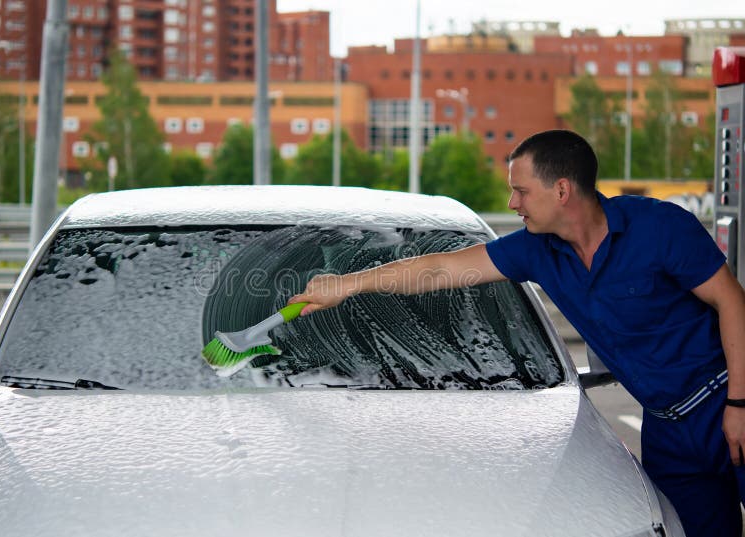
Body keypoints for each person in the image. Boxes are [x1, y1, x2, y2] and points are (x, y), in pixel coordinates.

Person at [288, 129, 745, 537]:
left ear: (561, 190)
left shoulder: (660, 227)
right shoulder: (536, 250)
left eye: (521, 191)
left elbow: (733, 302)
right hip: (665, 429)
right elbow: (441, 268)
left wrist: (739, 404)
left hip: (724, 401)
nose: (513, 203)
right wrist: (347, 285)